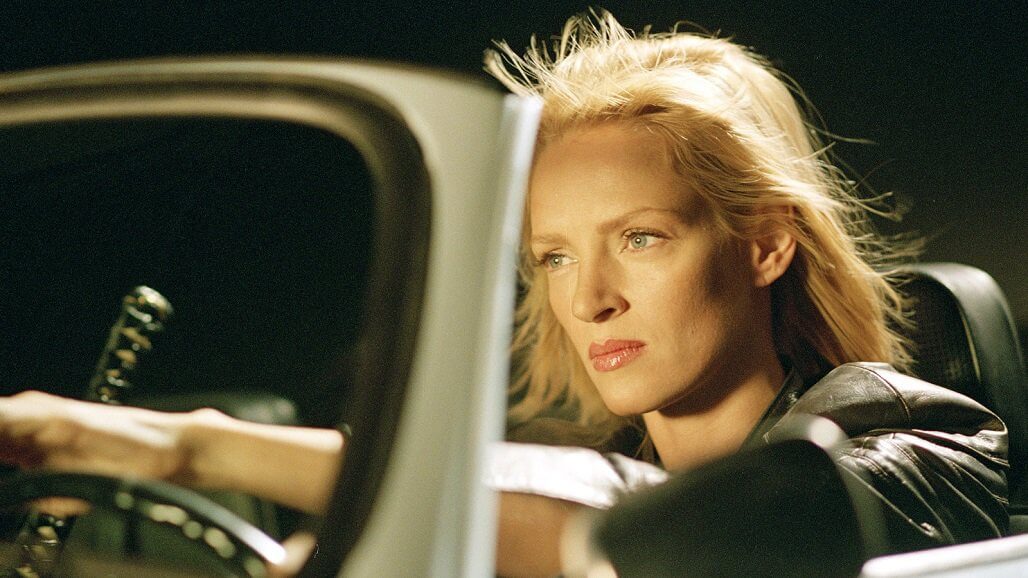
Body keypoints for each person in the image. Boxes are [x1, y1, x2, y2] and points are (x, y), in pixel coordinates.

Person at [0, 10, 1010, 578]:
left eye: (640, 238)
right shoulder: (566, 482)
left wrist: (185, 446)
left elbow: (671, 532)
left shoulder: (930, 445)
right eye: (554, 257)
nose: (591, 299)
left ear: (766, 246)